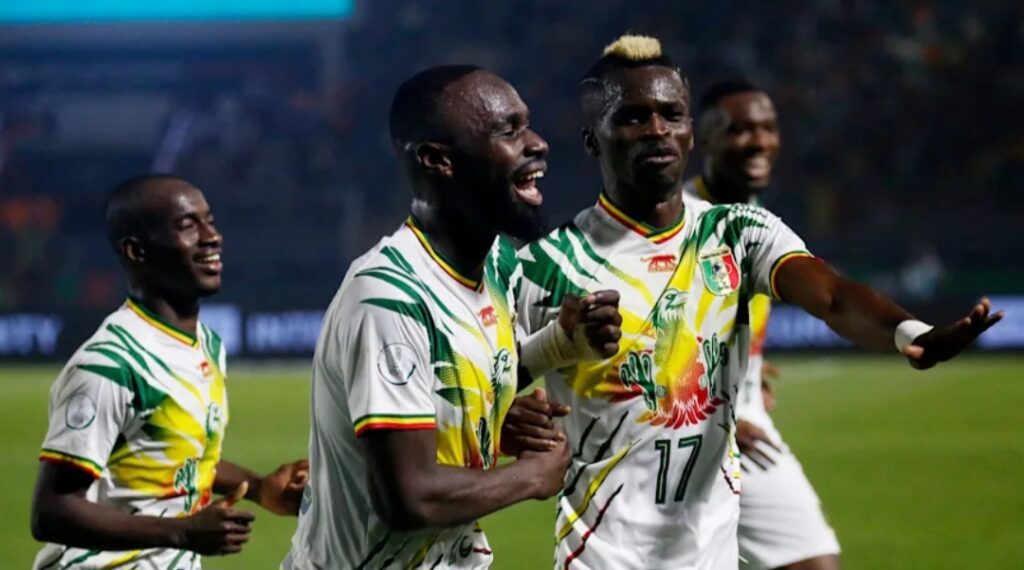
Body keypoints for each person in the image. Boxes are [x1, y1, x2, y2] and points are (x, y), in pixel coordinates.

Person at [509, 35, 1001, 569]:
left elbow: (832, 294)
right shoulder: (545, 266)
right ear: (591, 139)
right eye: (632, 117)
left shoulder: (737, 232)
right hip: (603, 557)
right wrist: (519, 394)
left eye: (671, 114)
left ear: (691, 132)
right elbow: (482, 385)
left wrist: (910, 333)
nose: (656, 130)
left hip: (710, 552)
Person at [284, 65, 620, 570]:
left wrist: (560, 345)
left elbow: (471, 368)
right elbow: (410, 497)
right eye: (508, 130)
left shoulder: (496, 266)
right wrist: (534, 475)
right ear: (438, 159)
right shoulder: (388, 298)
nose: (538, 143)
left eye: (526, 124)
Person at [31, 174, 309, 570]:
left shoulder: (208, 345)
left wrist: (261, 487)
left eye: (209, 221)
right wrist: (182, 532)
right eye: (187, 226)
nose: (212, 237)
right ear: (136, 251)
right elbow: (52, 511)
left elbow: (177, 463)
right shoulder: (110, 365)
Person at [684, 79, 840, 569]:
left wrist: (747, 367)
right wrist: (720, 413)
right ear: (703, 140)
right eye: (739, 130)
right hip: (701, 425)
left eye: (768, 128)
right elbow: (651, 333)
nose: (760, 141)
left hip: (738, 409)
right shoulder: (686, 223)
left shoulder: (751, 215)